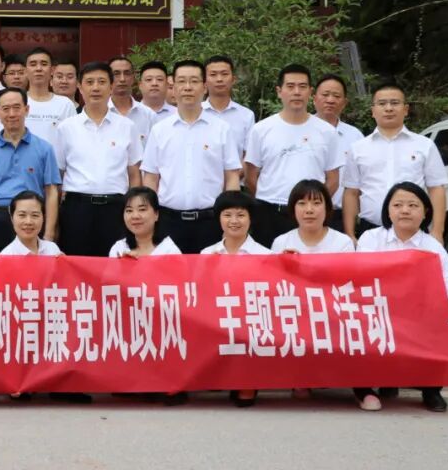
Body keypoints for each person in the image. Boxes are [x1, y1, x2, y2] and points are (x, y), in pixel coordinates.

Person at [354, 182, 448, 412]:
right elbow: (360, 283)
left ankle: (431, 390)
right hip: (379, 314)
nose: (405, 210)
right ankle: (369, 387)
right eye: (398, 205)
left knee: (439, 322)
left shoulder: (433, 248)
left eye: (413, 205)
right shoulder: (370, 239)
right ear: (388, 210)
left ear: (425, 211)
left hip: (418, 319)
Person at [141, 60, 241, 253]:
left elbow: (232, 177)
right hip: (168, 221)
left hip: (210, 222)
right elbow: (151, 179)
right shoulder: (160, 130)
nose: (187, 87)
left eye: (194, 81)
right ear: (173, 87)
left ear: (204, 87)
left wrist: (229, 218)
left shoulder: (221, 129)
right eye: (182, 81)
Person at [245, 64, 343, 247]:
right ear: (279, 91)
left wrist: (313, 204)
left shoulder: (327, 132)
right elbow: (250, 176)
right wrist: (268, 199)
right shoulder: (261, 130)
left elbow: (333, 179)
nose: (297, 92)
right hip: (269, 214)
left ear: (310, 92)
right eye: (290, 86)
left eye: (302, 86)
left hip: (311, 216)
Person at [53, 62, 142, 257]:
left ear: (111, 87)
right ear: (80, 87)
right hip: (77, 208)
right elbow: (58, 175)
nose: (95, 88)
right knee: (76, 265)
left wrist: (133, 208)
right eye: (89, 82)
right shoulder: (66, 128)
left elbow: (134, 173)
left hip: (116, 208)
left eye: (101, 82)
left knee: (115, 265)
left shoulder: (127, 126)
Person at [343, 82, 448, 242]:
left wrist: (437, 231)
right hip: (371, 230)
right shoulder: (358, 148)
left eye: (394, 103)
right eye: (382, 103)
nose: (389, 108)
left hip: (415, 231)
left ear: (405, 109)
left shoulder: (425, 145)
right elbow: (351, 193)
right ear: (373, 111)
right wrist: (350, 234)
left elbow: (436, 189)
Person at [0, 87, 61, 254]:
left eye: (17, 107)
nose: (11, 114)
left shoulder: (44, 149)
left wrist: (48, 235)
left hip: (31, 220)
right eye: (5, 109)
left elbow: (51, 192)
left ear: (26, 110)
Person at [201, 190, 269, 408]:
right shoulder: (207, 254)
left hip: (251, 317)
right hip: (217, 316)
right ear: (219, 219)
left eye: (240, 215)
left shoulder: (265, 255)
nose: (234, 221)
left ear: (250, 219)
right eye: (227, 215)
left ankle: (246, 382)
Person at [313, 74, 365, 229]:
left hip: (342, 215)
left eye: (336, 96)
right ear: (314, 98)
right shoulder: (301, 131)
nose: (330, 100)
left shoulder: (355, 136)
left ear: (344, 102)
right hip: (306, 213)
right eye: (325, 94)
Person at [270, 180, 355, 254]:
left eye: (316, 203)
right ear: (293, 208)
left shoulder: (343, 243)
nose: (309, 210)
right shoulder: (281, 243)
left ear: (327, 207)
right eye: (302, 203)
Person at [201, 55, 255, 160]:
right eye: (213, 74)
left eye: (224, 74)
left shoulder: (246, 115)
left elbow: (249, 155)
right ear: (204, 81)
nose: (219, 79)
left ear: (233, 79)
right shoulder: (195, 112)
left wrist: (234, 171)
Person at [23, 46, 76, 145]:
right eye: (33, 64)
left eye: (44, 64)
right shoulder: (17, 102)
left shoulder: (65, 105)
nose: (38, 68)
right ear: (25, 71)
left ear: (52, 70)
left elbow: (73, 141)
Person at [108, 187, 180, 257]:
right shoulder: (119, 249)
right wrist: (122, 263)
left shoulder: (169, 251)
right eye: (129, 210)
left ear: (156, 214)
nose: (135, 216)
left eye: (142, 209)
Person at [107, 56, 155, 147]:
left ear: (133, 77)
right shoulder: (100, 113)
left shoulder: (148, 114)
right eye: (116, 74)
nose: (122, 79)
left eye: (127, 73)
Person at [0, 191, 62, 256]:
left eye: (35, 215)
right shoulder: (6, 255)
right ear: (12, 218)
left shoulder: (52, 249)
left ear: (43, 218)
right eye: (22, 215)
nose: (28, 222)